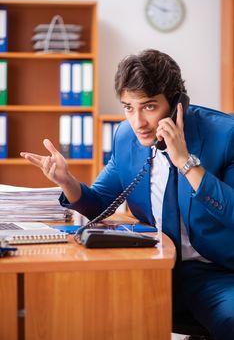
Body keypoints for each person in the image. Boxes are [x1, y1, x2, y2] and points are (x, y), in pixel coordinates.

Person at [20, 49, 234, 340]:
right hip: (151, 267)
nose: (138, 122)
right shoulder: (125, 137)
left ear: (175, 104)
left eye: (148, 107)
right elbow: (99, 205)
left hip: (216, 273)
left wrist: (185, 161)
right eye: (128, 108)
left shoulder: (224, 135)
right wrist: (67, 181)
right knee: (85, 313)